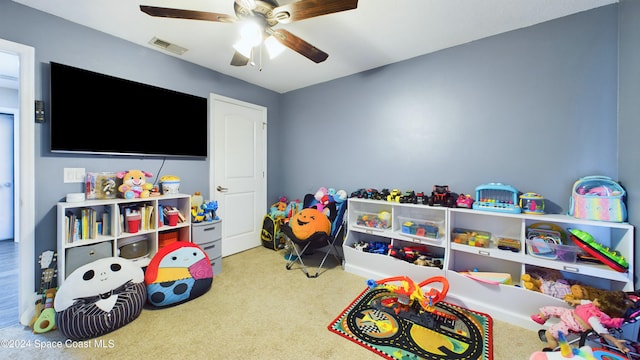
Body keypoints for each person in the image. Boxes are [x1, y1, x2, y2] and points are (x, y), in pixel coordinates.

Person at [530, 291, 630, 353]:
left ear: (600, 307)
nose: (595, 299)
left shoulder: (594, 318)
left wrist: (615, 341)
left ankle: (553, 347)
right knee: (549, 308)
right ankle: (541, 318)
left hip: (569, 324)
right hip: (570, 314)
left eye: (597, 300)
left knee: (549, 333)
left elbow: (602, 332)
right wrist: (574, 301)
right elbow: (584, 302)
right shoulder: (593, 305)